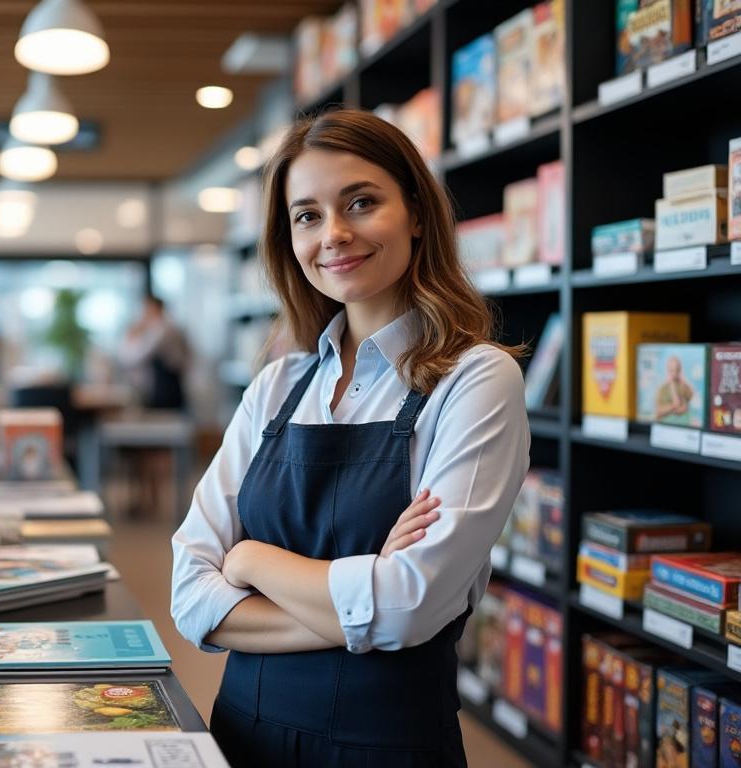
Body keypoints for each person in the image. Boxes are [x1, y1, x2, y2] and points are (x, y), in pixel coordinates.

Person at [170, 109, 530, 767]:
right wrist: (360, 604)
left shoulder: (477, 380)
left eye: (361, 202)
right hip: (243, 737)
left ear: (416, 213)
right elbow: (191, 599)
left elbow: (409, 606)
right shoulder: (278, 385)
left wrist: (250, 562)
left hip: (386, 746)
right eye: (306, 215)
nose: (333, 234)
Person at [118, 294, 190, 410]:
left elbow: (138, 356)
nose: (143, 313)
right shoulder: (162, 327)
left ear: (155, 308)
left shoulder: (162, 329)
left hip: (167, 385)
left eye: (146, 308)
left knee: (166, 418)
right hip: (166, 382)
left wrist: (132, 336)